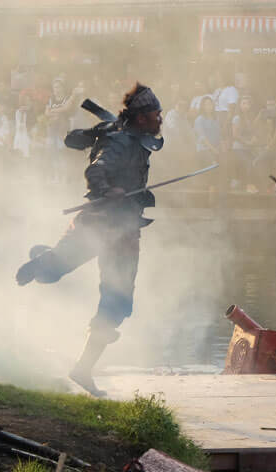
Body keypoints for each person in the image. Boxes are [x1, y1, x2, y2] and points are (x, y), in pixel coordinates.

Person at [15, 82, 164, 396]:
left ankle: (82, 370)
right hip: (98, 225)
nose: (160, 118)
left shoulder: (136, 139)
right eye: (155, 114)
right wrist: (110, 191)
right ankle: (44, 261)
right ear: (140, 119)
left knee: (116, 303)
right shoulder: (121, 143)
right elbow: (96, 171)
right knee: (54, 272)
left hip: (124, 233)